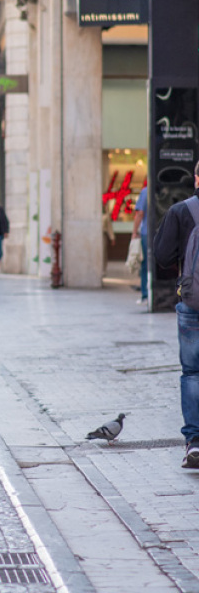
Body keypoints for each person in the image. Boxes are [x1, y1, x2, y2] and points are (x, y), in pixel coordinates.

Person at [153, 163, 199, 468]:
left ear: (196, 179)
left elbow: (162, 256)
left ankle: (195, 442)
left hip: (193, 303)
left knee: (193, 372)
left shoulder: (181, 211)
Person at [133, 186, 149, 304]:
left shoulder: (145, 191)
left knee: (145, 264)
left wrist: (134, 232)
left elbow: (140, 213)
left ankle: (145, 294)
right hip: (162, 231)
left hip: (147, 233)